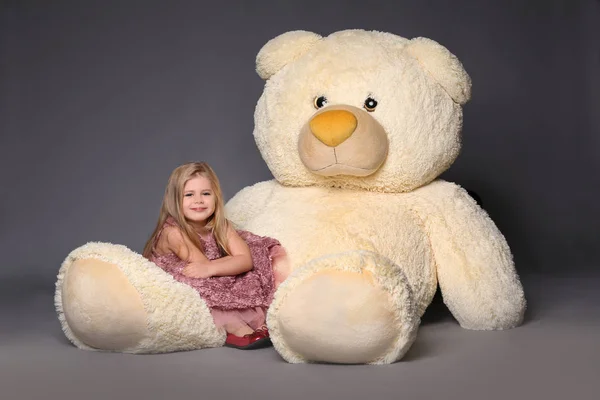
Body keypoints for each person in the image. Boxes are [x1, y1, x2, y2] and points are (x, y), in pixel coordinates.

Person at [142, 162, 289, 350]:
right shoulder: (174, 232)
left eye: (206, 193)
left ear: (215, 197)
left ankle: (258, 323)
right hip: (190, 280)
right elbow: (201, 269)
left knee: (252, 266)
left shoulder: (221, 225)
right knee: (204, 284)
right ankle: (234, 326)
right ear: (174, 200)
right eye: (189, 195)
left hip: (210, 271)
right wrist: (222, 264)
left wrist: (215, 267)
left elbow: (245, 260)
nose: (198, 201)